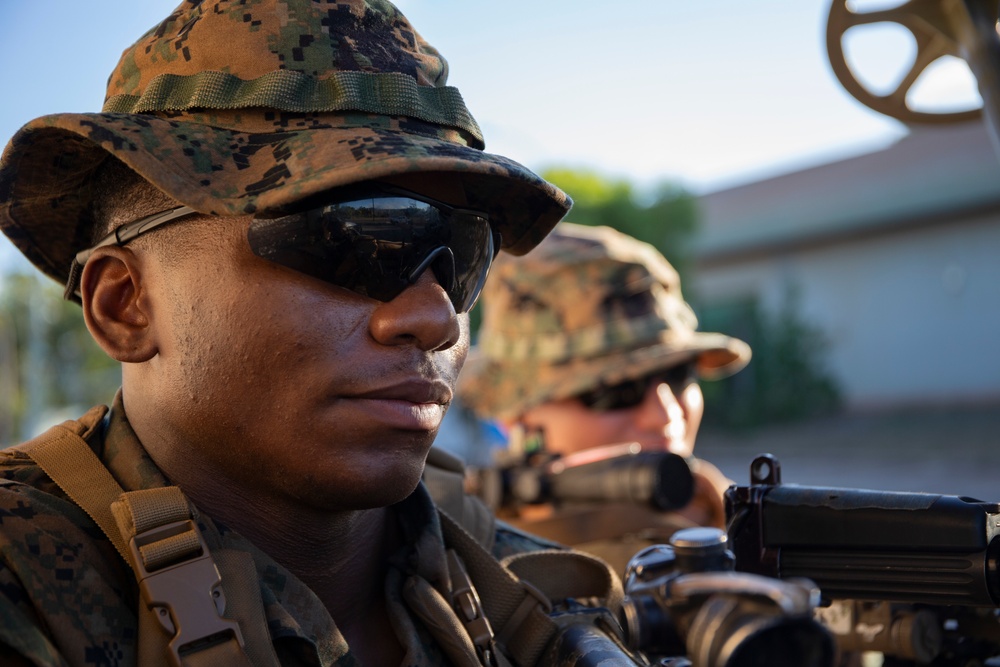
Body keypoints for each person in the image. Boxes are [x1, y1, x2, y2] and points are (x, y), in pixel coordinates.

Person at [0, 3, 631, 666]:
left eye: (462, 255)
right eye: (350, 242)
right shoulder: (26, 584)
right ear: (126, 305)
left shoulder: (532, 594)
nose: (434, 317)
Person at [457, 222, 752, 574]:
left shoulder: (741, 519)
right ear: (516, 413)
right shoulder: (469, 563)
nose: (665, 414)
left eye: (679, 377)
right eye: (617, 392)